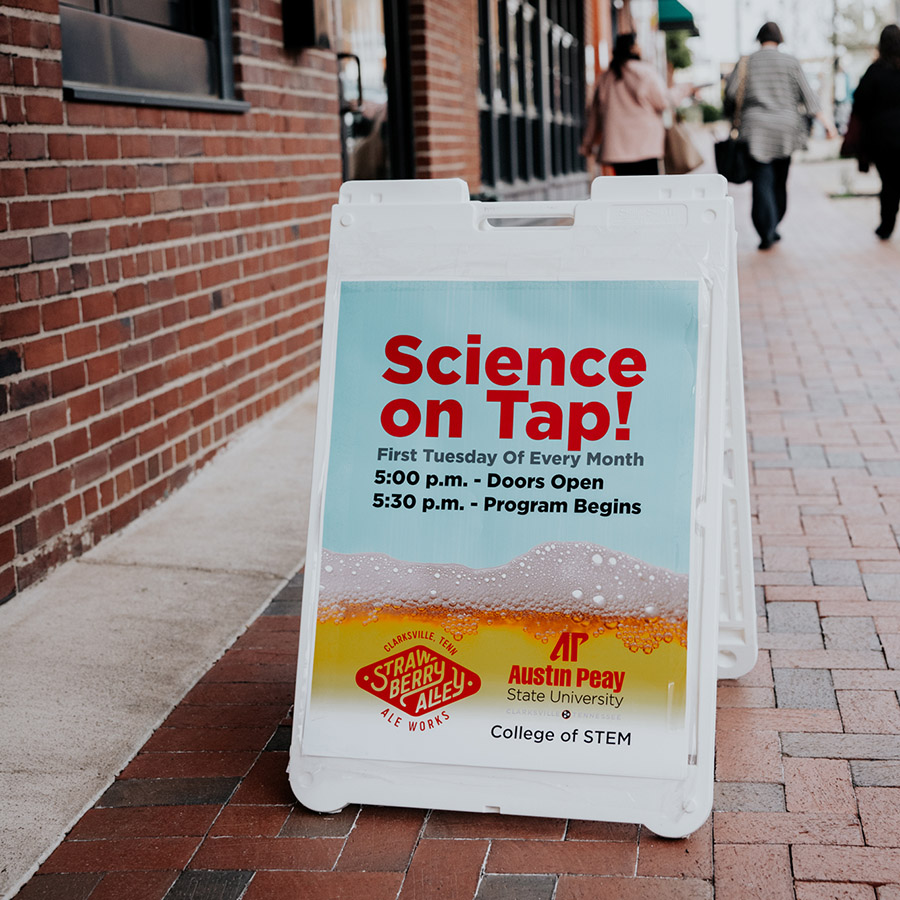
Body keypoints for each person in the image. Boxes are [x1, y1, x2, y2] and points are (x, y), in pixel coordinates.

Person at [724, 22, 836, 250]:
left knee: (761, 181)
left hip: (755, 130)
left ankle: (766, 230)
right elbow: (809, 97)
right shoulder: (791, 62)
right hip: (786, 130)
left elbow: (732, 92)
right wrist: (828, 125)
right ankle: (773, 225)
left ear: (759, 38)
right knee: (780, 181)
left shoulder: (746, 61)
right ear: (780, 39)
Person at [581, 33, 693, 176]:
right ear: (633, 48)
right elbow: (664, 101)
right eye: (638, 44)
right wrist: (684, 89)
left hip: (617, 148)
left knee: (625, 192)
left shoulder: (606, 77)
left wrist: (587, 144)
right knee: (648, 191)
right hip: (646, 147)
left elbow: (594, 115)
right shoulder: (645, 72)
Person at [849, 24, 900, 240]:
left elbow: (859, 102)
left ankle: (886, 226)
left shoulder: (874, 71)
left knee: (889, 182)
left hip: (882, 139)